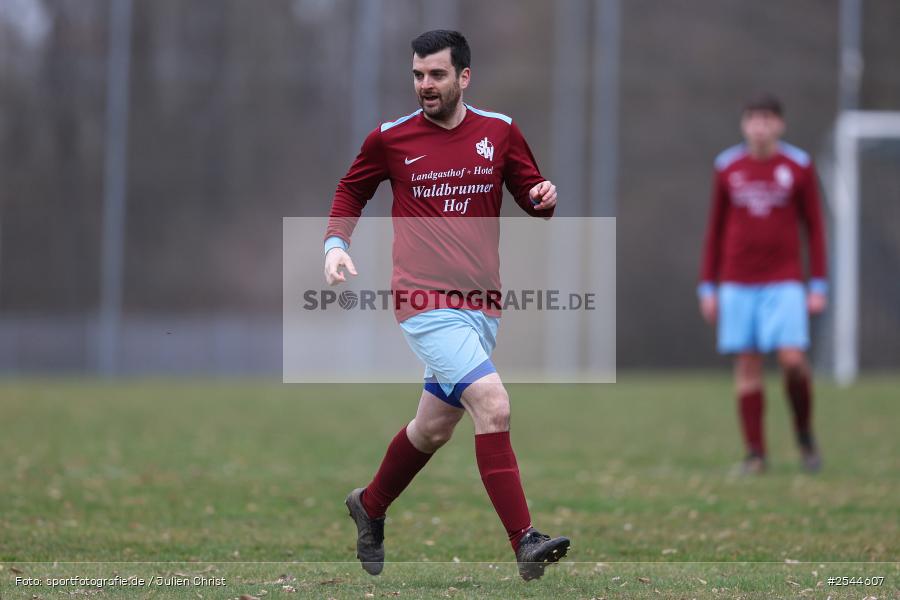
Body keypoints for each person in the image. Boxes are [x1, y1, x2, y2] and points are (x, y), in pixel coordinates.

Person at [322, 30, 570, 580]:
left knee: (432, 428)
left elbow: (532, 195)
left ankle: (370, 504)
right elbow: (350, 191)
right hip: (423, 300)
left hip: (482, 306)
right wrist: (336, 244)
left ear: (464, 77)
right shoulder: (390, 138)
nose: (425, 85)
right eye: (417, 75)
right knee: (493, 403)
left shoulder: (500, 132)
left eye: (436, 75)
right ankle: (524, 540)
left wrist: (543, 198)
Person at [698, 93, 828, 474]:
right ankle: (756, 455)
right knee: (748, 363)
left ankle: (804, 435)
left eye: (768, 119)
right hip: (737, 281)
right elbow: (715, 229)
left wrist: (817, 283)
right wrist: (708, 286)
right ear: (744, 125)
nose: (760, 126)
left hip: (784, 280)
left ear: (779, 125)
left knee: (792, 360)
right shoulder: (727, 167)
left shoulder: (799, 166)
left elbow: (815, 229)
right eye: (753, 118)